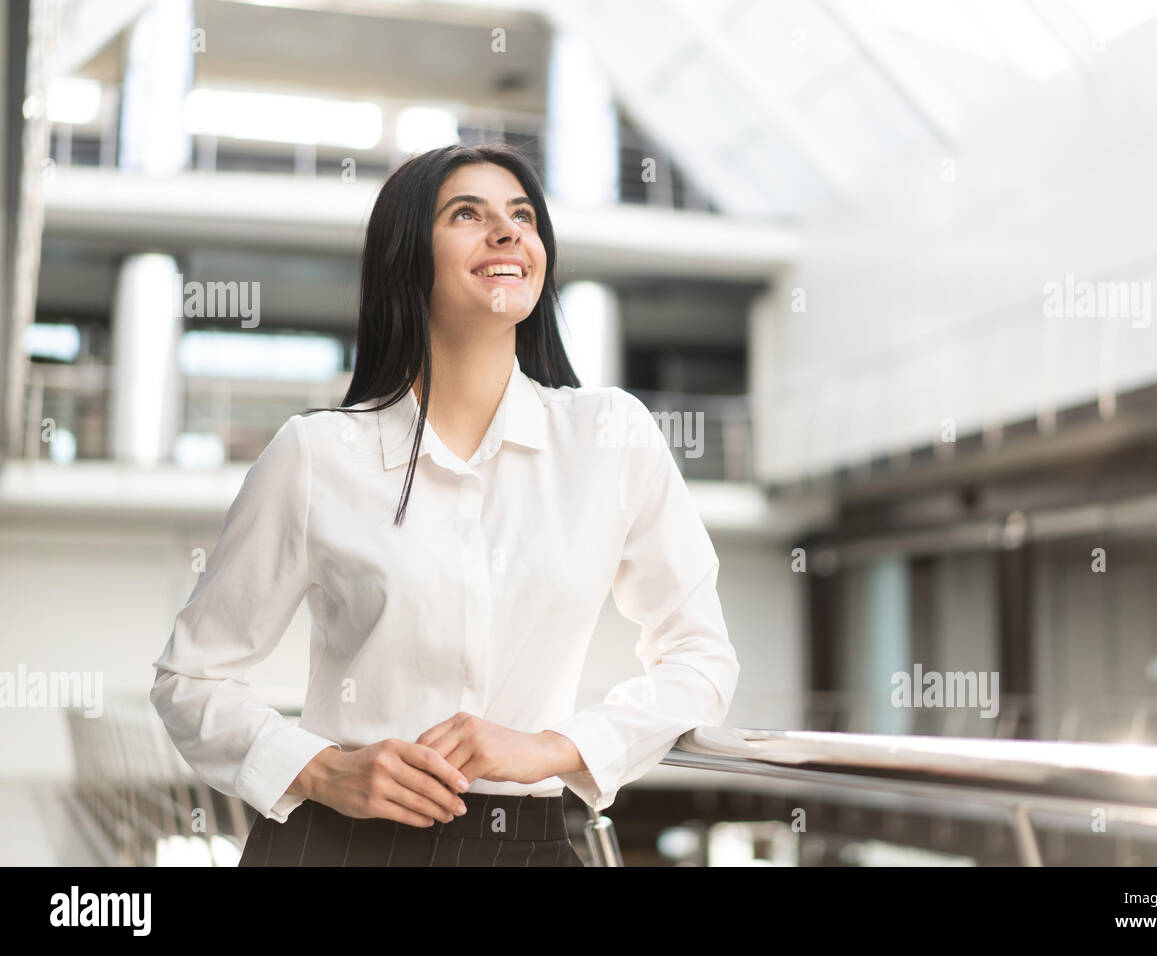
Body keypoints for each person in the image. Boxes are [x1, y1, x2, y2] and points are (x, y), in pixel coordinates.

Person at [149, 143, 741, 867]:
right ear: (407, 256)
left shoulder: (610, 437)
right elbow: (190, 677)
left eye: (522, 216)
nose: (508, 232)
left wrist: (556, 748)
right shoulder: (316, 455)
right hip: (336, 843)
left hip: (528, 843)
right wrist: (320, 769)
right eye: (468, 213)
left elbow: (701, 659)